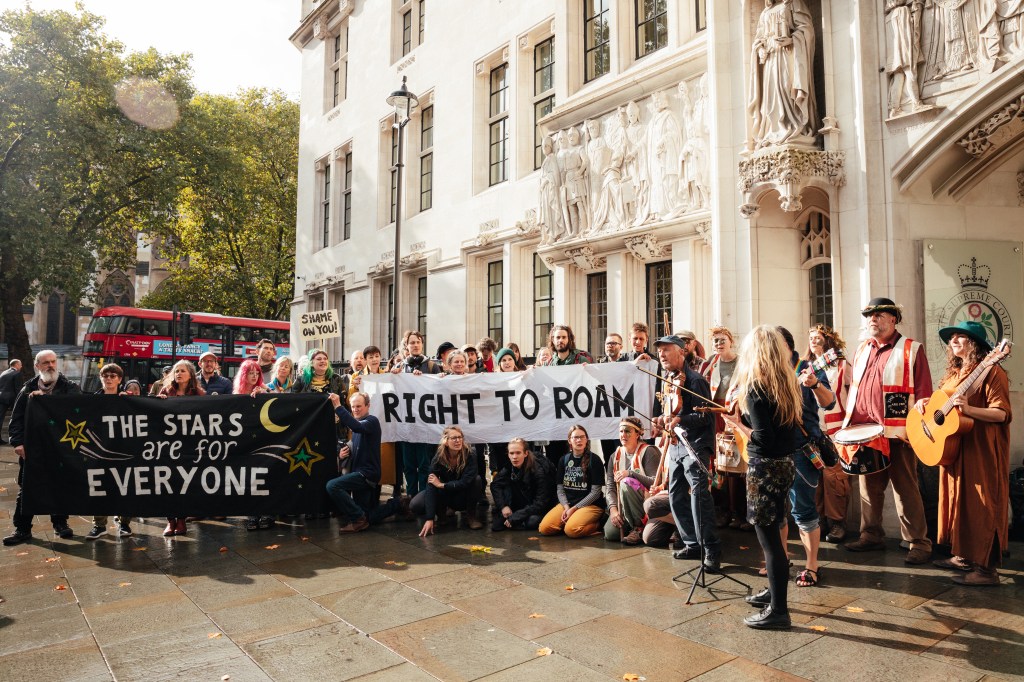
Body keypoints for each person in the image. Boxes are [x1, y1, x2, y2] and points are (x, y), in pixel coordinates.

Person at [841, 297, 933, 565]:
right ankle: (870, 535)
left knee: (906, 488)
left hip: (898, 433)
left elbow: (924, 391)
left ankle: (919, 542)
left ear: (894, 319)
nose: (873, 319)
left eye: (879, 315)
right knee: (869, 486)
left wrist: (918, 428)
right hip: (865, 432)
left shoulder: (911, 349)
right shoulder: (861, 350)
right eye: (869, 315)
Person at [921, 321, 1011, 586]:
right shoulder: (956, 373)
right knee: (957, 502)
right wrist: (926, 404)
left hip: (981, 448)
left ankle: (986, 571)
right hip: (955, 447)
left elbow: (1002, 413)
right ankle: (964, 555)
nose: (953, 342)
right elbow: (943, 404)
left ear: (976, 344)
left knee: (981, 504)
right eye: (952, 338)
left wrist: (969, 410)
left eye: (961, 337)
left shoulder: (993, 372)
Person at [727, 325, 803, 630]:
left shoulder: (756, 387)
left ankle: (778, 611)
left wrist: (739, 425)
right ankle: (775, 590)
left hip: (766, 468)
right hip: (785, 465)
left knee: (770, 542)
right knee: (777, 534)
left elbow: (764, 438)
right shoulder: (788, 382)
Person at [652, 334, 719, 571]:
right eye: (659, 351)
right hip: (677, 444)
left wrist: (680, 418)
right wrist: (662, 419)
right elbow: (670, 411)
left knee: (699, 496)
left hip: (696, 444)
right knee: (675, 495)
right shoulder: (669, 379)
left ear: (681, 352)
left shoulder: (696, 381)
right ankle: (692, 544)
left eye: (666, 350)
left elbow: (705, 415)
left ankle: (710, 548)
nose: (661, 354)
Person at [2, 351, 80, 546]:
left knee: (59, 486)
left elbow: (81, 411)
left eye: (53, 361)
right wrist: (17, 442)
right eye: (46, 363)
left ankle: (60, 524)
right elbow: (16, 419)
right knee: (27, 488)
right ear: (38, 366)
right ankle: (22, 529)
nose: (51, 365)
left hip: (60, 448)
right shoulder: (27, 389)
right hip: (32, 448)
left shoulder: (70, 388)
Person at [780, 326, 836, 588]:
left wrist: (814, 385)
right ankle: (779, 560)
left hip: (802, 449)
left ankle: (812, 565)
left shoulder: (807, 366)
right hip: (774, 450)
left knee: (803, 510)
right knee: (777, 510)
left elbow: (829, 402)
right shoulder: (768, 370)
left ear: (786, 346)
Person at [326, 391, 404, 532]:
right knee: (368, 516)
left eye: (359, 406)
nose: (355, 409)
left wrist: (337, 406)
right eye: (353, 406)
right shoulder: (359, 424)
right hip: (361, 474)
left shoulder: (371, 421)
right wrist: (343, 453)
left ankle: (358, 518)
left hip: (366, 474)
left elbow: (356, 427)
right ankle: (399, 504)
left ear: (368, 406)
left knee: (332, 486)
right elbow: (355, 442)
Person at [747, 0, 818, 148]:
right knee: (771, 96)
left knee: (787, 86)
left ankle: (793, 124)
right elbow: (759, 38)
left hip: (788, 55)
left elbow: (807, 30)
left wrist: (791, 40)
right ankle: (773, 130)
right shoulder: (765, 13)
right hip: (770, 60)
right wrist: (759, 49)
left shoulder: (793, 4)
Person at [805, 324, 851, 543]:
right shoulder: (805, 367)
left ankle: (837, 523)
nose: (813, 340)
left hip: (837, 428)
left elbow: (853, 394)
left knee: (835, 477)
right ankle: (819, 520)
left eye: (818, 337)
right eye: (811, 337)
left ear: (828, 340)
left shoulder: (841, 365)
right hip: (813, 428)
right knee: (815, 476)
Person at [702, 326, 747, 530]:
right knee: (719, 464)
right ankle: (723, 510)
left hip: (735, 416)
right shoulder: (711, 364)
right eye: (715, 341)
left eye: (722, 340)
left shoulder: (742, 363)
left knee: (737, 465)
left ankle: (740, 513)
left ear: (731, 341)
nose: (718, 344)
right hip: (716, 417)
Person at [392, 331, 444, 498]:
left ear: (422, 345)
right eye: (412, 342)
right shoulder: (400, 367)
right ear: (407, 346)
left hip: (424, 424)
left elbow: (439, 389)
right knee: (408, 465)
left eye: (418, 342)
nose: (415, 345)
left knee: (424, 464)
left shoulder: (431, 366)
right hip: (406, 424)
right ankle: (410, 496)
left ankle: (423, 498)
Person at [157, 360, 205, 537]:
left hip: (188, 445)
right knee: (167, 483)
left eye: (182, 371)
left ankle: (182, 520)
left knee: (184, 483)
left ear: (190, 375)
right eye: (176, 371)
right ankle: (170, 521)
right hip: (166, 444)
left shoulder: (199, 393)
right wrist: (159, 402)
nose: (178, 373)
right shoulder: (165, 391)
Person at [86, 363, 133, 540]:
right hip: (99, 452)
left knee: (125, 486)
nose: (109, 379)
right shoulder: (93, 400)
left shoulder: (127, 400)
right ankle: (99, 525)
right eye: (105, 376)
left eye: (113, 376)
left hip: (123, 450)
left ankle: (125, 523)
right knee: (99, 487)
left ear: (120, 379)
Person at [411, 426, 484, 536]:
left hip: (463, 494)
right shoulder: (438, 457)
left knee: (477, 480)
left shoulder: (470, 453)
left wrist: (442, 485)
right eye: (454, 438)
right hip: (447, 495)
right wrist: (430, 518)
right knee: (416, 504)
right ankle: (441, 514)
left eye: (460, 437)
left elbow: (465, 482)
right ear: (446, 441)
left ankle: (471, 516)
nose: (458, 440)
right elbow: (431, 484)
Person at [539, 425, 605, 538]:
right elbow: (560, 489)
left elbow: (595, 493)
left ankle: (599, 524)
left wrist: (575, 508)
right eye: (575, 437)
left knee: (571, 530)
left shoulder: (595, 460)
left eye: (582, 437)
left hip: (590, 505)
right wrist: (566, 507)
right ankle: (569, 522)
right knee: (544, 528)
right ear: (569, 440)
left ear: (586, 439)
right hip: (568, 504)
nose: (579, 440)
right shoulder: (563, 459)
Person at [603, 416, 661, 545]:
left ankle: (638, 527)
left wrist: (630, 473)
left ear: (638, 434)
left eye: (628, 431)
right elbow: (610, 487)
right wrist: (613, 510)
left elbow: (654, 482)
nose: (623, 434)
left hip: (646, 503)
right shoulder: (615, 455)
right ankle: (629, 523)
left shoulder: (649, 451)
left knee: (626, 481)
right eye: (621, 431)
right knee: (610, 534)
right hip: (624, 504)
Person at [490, 438, 554, 531]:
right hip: (522, 501)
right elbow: (495, 485)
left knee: (532, 521)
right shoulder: (509, 466)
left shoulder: (538, 471)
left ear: (526, 453)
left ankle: (518, 520)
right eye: (511, 453)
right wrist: (503, 506)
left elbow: (541, 502)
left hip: (539, 505)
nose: (514, 457)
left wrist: (517, 516)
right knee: (497, 526)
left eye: (518, 453)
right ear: (508, 454)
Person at [0, 358, 23, 442]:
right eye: (20, 364)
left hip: (1, 397)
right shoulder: (17, 373)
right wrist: (20, 401)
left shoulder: (4, 372)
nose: (21, 366)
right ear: (16, 365)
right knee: (17, 417)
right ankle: (17, 438)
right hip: (11, 399)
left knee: (0, 418)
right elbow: (18, 389)